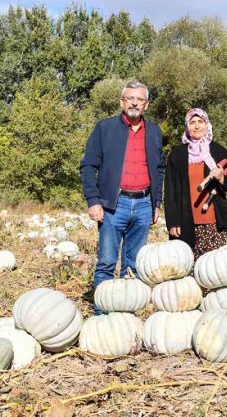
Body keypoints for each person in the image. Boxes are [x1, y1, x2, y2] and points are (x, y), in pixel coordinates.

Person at [80, 81, 164, 310]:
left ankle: (127, 314)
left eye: (139, 99)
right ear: (121, 102)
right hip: (112, 204)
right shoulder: (104, 128)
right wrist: (93, 200)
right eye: (130, 98)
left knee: (134, 265)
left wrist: (157, 202)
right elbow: (88, 166)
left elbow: (158, 169)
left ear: (146, 105)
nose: (134, 103)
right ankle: (102, 314)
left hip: (144, 203)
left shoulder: (154, 132)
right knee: (106, 262)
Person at [163, 108, 227, 260]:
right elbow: (170, 190)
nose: (196, 126)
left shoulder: (218, 151)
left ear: (207, 125)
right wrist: (172, 222)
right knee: (186, 270)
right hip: (185, 223)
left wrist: (221, 178)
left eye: (200, 122)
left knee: (213, 270)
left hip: (213, 223)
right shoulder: (177, 154)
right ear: (187, 126)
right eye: (192, 122)